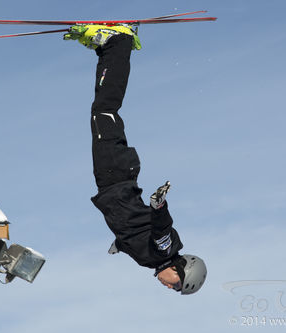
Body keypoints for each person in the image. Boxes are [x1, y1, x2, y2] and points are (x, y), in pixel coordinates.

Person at [64, 24, 207, 294]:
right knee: (105, 110)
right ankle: (119, 42)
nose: (169, 286)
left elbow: (137, 233)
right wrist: (159, 205)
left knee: (103, 111)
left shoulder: (150, 259)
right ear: (180, 269)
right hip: (116, 175)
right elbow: (162, 227)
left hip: (115, 178)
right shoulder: (165, 249)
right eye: (177, 285)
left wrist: (121, 243)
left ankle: (110, 49)